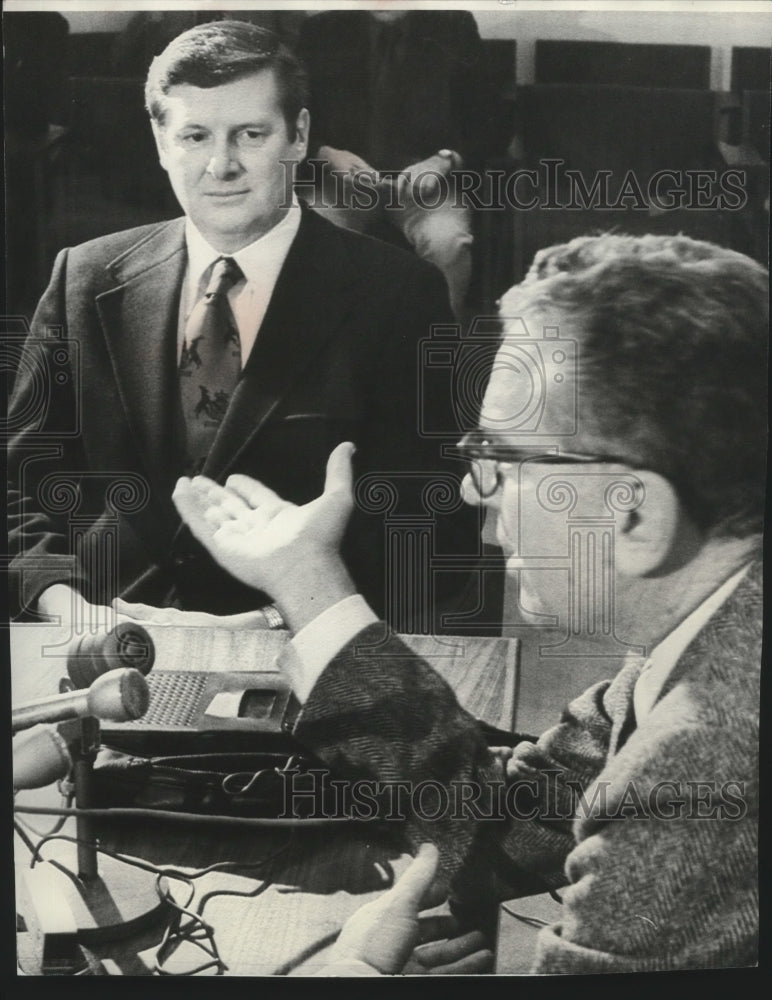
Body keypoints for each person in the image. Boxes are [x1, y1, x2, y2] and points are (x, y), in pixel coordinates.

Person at [172, 233, 765, 974]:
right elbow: (501, 827)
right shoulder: (706, 630)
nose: (470, 488)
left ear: (634, 515)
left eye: (504, 458)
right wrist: (306, 581)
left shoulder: (698, 768)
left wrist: (350, 974)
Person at [7, 20, 479, 637]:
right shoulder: (85, 277)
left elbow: (432, 525)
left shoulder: (398, 296)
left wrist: (277, 617)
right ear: (160, 141)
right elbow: (18, 487)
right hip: (97, 640)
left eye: (250, 134)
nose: (221, 164)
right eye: (194, 135)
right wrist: (69, 608)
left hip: (289, 650)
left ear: (299, 135)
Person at [297, 9, 498, 319]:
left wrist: (444, 160)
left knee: (449, 243)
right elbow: (291, 116)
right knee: (320, 240)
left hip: (427, 189)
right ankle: (337, 354)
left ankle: (438, 349)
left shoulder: (454, 27)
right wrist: (325, 154)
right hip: (341, 184)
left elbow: (490, 121)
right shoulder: (321, 30)